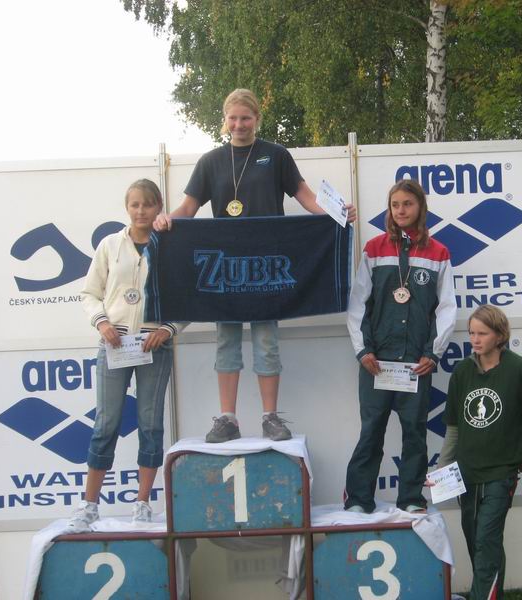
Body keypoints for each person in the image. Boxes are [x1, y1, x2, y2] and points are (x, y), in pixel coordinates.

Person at [153, 88, 355, 443]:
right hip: (225, 267)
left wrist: (337, 213)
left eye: (245, 118)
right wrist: (166, 220)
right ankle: (227, 419)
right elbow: (188, 209)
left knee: (266, 342)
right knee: (226, 342)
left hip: (267, 266)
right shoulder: (210, 161)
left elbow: (306, 197)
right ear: (224, 120)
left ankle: (270, 417)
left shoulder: (276, 156)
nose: (239, 124)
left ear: (257, 119)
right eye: (233, 118)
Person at [69, 179, 184, 532]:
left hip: (154, 345)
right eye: (135, 204)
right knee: (106, 423)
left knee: (150, 424)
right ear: (127, 207)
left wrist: (168, 328)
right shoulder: (110, 245)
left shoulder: (171, 246)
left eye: (148, 204)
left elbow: (189, 296)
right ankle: (89, 506)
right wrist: (102, 323)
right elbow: (89, 293)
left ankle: (143, 504)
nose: (141, 211)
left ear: (159, 206)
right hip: (115, 344)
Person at [344, 179, 456, 513]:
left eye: (408, 203)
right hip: (376, 363)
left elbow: (446, 308)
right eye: (395, 205)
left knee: (415, 433)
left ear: (420, 207)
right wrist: (363, 350)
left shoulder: (438, 253)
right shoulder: (374, 249)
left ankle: (410, 497)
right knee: (371, 432)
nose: (401, 210)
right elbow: (358, 304)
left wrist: (433, 353)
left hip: (415, 364)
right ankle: (359, 499)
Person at [432, 304, 522, 599]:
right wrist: (441, 469)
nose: (475, 340)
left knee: (486, 540)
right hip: (466, 474)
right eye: (472, 333)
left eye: (482, 334)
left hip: (502, 473)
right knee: (477, 541)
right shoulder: (462, 372)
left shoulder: (519, 368)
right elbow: (454, 427)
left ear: (500, 335)